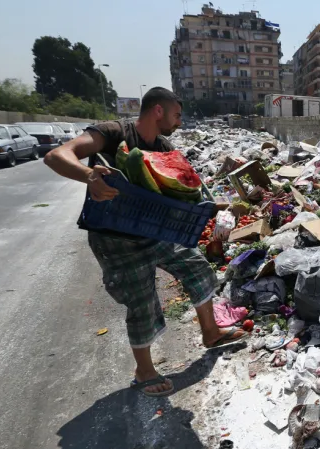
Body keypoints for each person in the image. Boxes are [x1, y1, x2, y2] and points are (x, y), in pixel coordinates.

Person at [44, 87, 244, 397]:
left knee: (198, 267)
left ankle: (210, 332)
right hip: (115, 236)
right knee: (142, 301)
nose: (179, 122)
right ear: (158, 111)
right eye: (177, 115)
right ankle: (144, 370)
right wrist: (89, 176)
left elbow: (177, 190)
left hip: (154, 230)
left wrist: (212, 206)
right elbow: (56, 155)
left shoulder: (163, 146)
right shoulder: (114, 133)